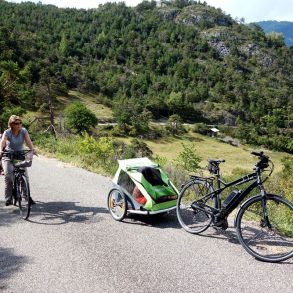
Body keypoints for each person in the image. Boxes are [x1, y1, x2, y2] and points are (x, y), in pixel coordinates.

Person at [0, 115, 37, 206]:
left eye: (20, 122)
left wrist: (32, 149)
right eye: (16, 123)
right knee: (9, 177)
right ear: (11, 124)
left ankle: (27, 197)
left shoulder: (23, 131)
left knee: (24, 176)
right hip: (8, 155)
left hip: (20, 155)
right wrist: (0, 150)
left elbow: (28, 142)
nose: (19, 124)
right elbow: (2, 142)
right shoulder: (7, 132)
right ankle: (8, 198)